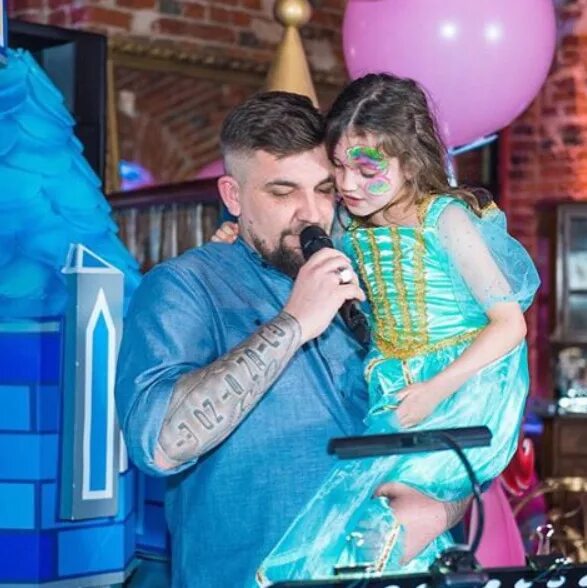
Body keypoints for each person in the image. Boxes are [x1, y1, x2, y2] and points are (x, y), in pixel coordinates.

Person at [115, 91, 469, 587]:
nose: (310, 214)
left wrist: (443, 507)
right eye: (282, 193)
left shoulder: (377, 273)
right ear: (233, 197)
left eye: (324, 190)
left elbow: (462, 424)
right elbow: (158, 445)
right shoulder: (185, 287)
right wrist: (296, 322)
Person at [245, 74, 540, 584]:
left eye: (367, 169)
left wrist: (435, 389)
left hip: (467, 383)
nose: (348, 184)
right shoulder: (352, 224)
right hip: (396, 382)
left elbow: (510, 324)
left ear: (410, 161)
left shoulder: (445, 220)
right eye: (339, 166)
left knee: (384, 519)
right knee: (349, 517)